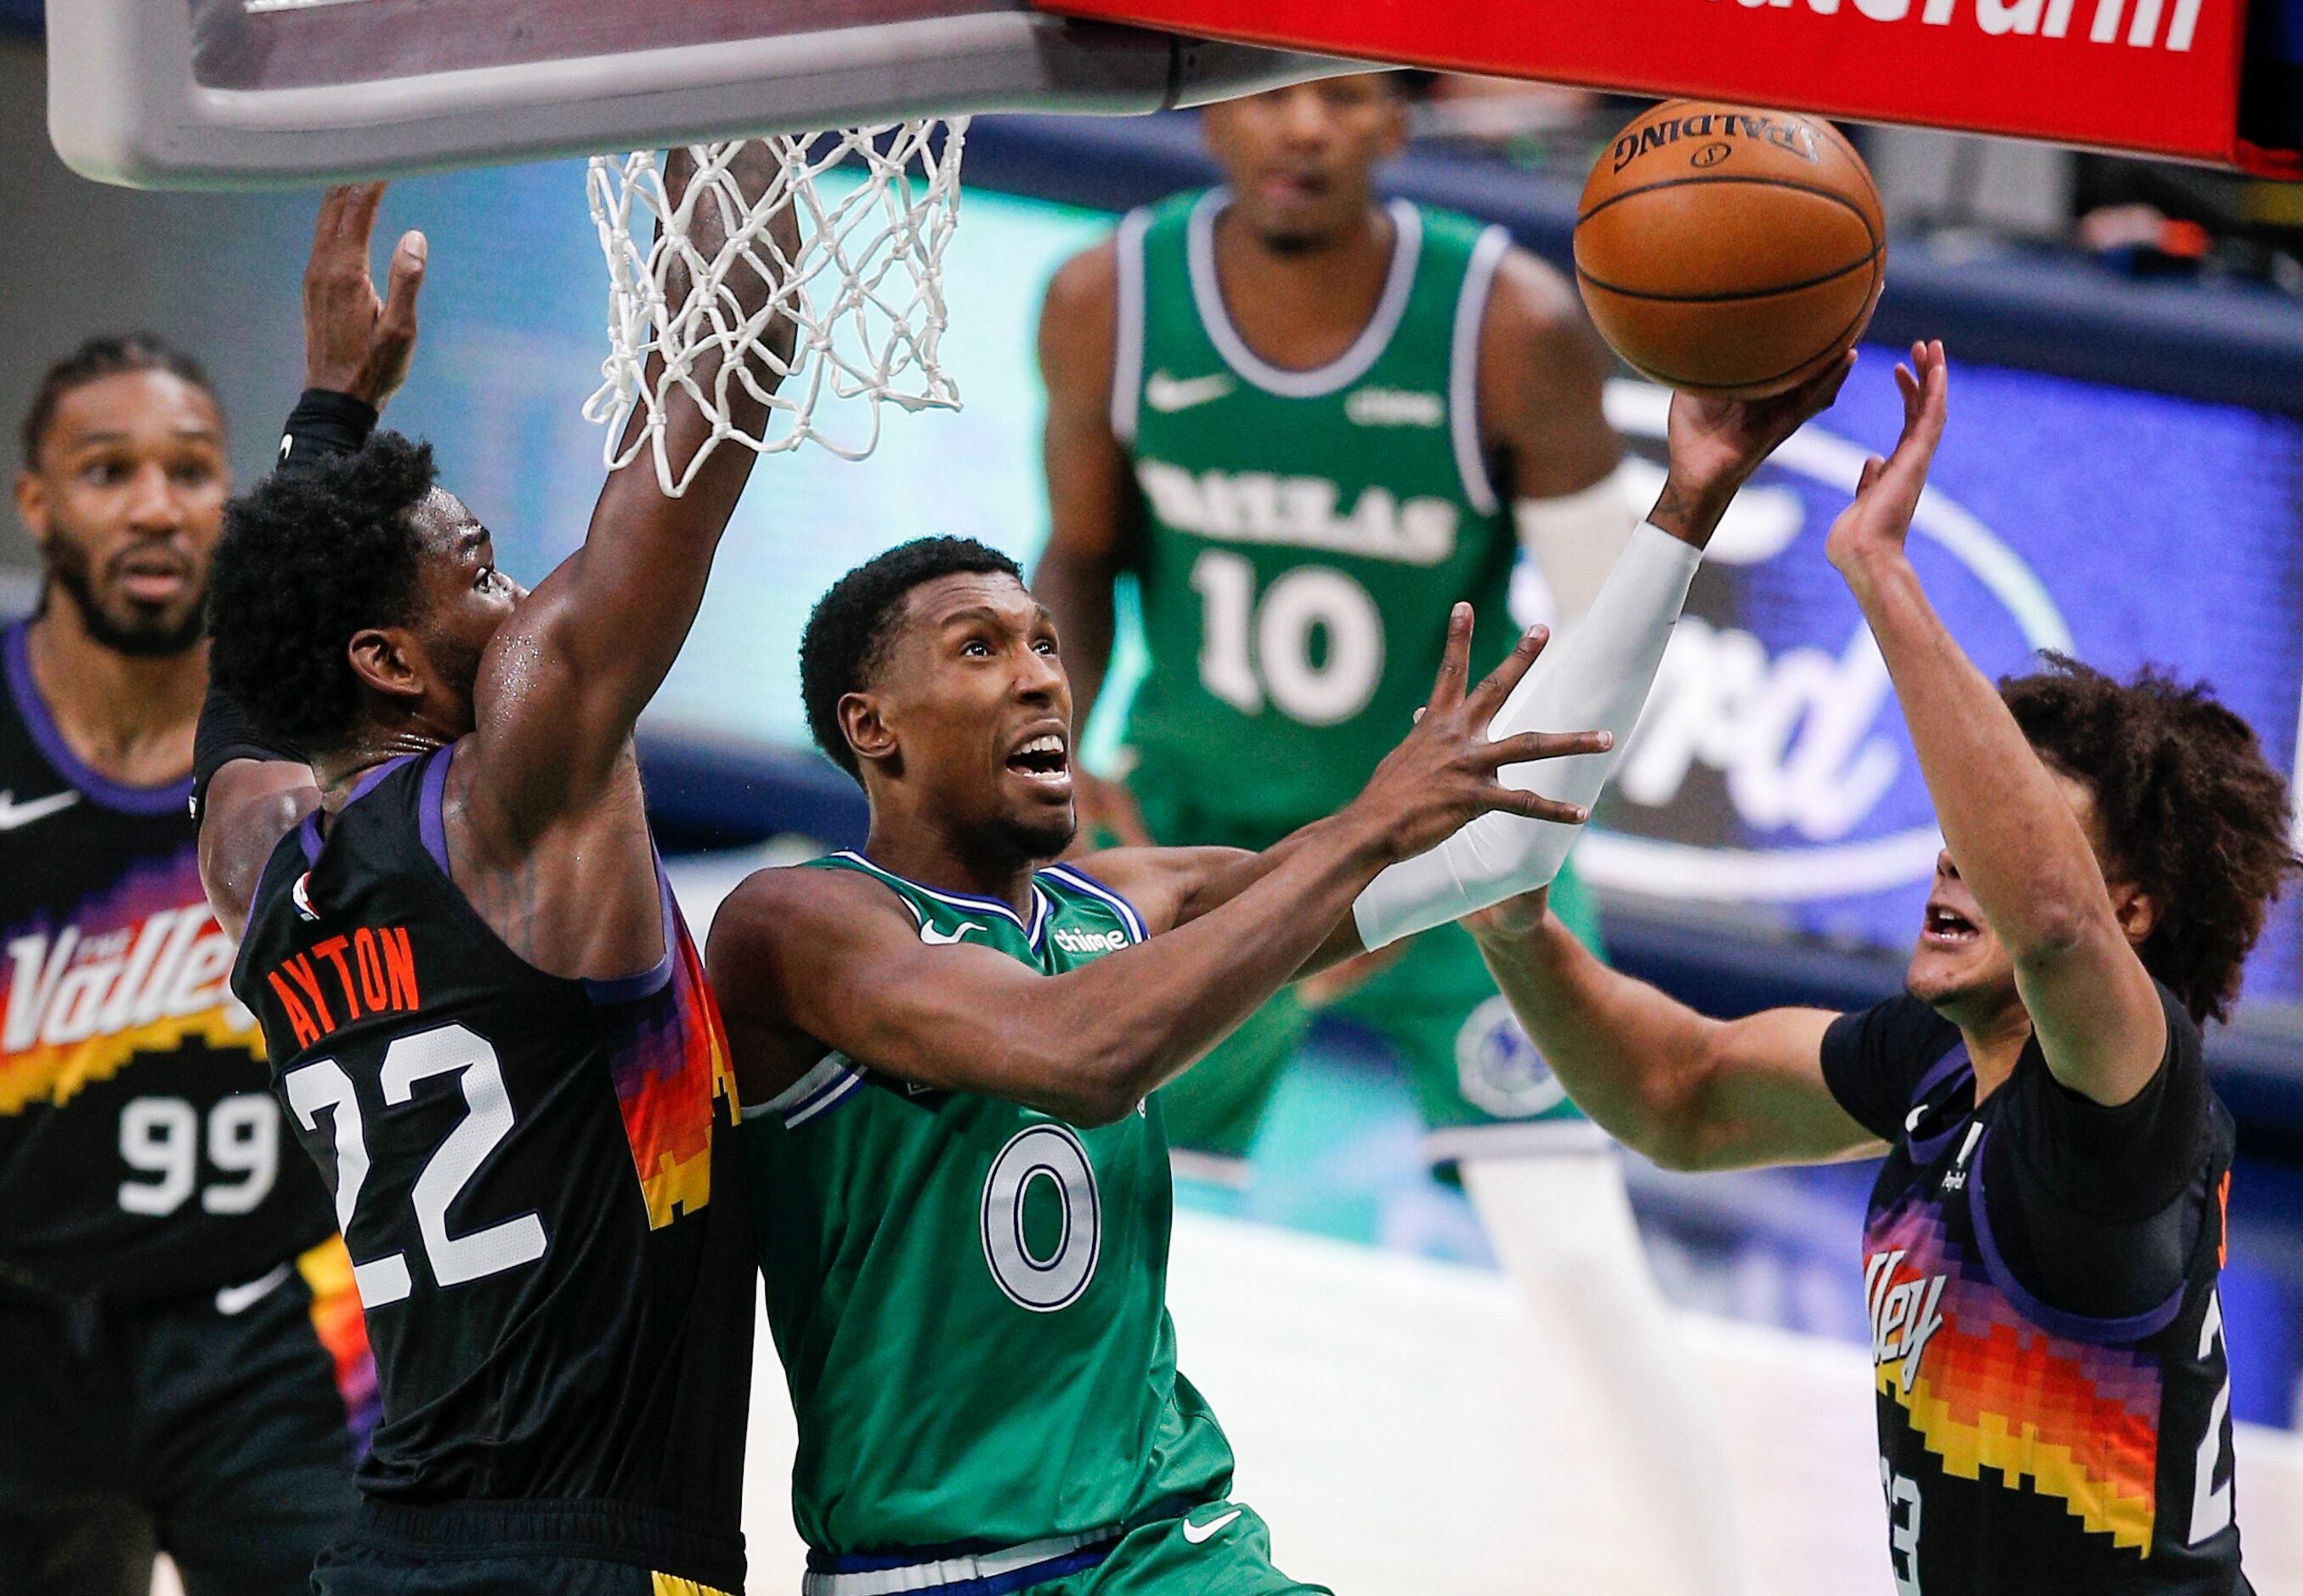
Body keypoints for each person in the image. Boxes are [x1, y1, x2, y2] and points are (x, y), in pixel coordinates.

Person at [702, 354, 1842, 1596]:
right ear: (871, 726)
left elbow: (1502, 838)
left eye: (1041, 642)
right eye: (978, 650)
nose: (1038, 671)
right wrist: (1364, 829)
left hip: (1170, 1548)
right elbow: (1079, 1055)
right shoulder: (800, 922)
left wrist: (1686, 507)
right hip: (931, 1571)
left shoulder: (1134, 899)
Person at [1032, 71, 1745, 1592]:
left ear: (1399, 122)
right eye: (1265, 91)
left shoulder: (1513, 327)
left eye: (1343, 95)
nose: (1300, 128)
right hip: (1194, 844)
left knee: (1576, 1261)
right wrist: (1066, 763)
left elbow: (1604, 635)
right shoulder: (1107, 298)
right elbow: (1080, 559)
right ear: (1202, 108)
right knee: (1078, 1251)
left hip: (1448, 846)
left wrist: (1415, 876)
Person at [1468, 342, 2296, 1593]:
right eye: (1949, 837)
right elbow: (1678, 1093)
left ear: (2132, 908)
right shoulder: (1932, 1066)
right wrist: (1513, 928)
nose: (1951, 864)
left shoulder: (2124, 1110)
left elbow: (2056, 927)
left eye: (1996, 846)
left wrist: (1876, 568)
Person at [195, 166, 790, 1596]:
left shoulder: (261, 866)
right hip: (591, 1556)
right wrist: (738, 122)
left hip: (390, 1548)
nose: (519, 594)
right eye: (480, 571)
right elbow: (722, 371)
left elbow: (239, 712)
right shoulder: (519, 785)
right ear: (391, 665)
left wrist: (330, 423)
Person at [0, 326, 374, 1594]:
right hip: (21, 1323)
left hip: (274, 1325)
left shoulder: (318, 736)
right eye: (109, 471)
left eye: (192, 468)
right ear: (37, 502)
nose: (156, 504)